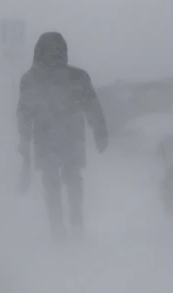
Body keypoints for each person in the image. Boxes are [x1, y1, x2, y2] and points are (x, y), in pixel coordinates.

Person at [16, 31, 109, 241]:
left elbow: (92, 107)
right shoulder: (31, 80)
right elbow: (24, 114)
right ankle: (57, 228)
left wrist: (100, 132)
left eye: (58, 50)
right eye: (49, 50)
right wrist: (24, 146)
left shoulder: (77, 77)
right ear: (40, 52)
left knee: (73, 182)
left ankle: (76, 223)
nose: (54, 54)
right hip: (46, 140)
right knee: (51, 186)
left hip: (70, 138)